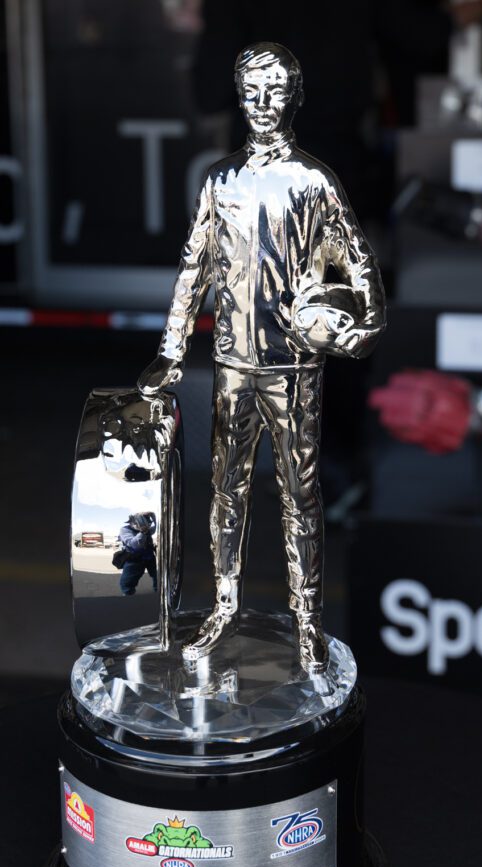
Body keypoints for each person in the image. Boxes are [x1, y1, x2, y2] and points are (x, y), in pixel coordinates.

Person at [138, 42, 385, 672]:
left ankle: (308, 622)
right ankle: (224, 607)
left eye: (275, 90)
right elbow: (193, 268)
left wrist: (362, 328)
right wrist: (171, 351)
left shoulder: (313, 180)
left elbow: (358, 259)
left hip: (295, 368)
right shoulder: (220, 180)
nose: (264, 103)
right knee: (227, 489)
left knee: (299, 495)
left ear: (295, 96)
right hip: (232, 365)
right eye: (252, 92)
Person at [118, 513, 158, 596]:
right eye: (147, 523)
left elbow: (154, 529)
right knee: (127, 582)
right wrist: (143, 532)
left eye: (149, 523)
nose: (148, 525)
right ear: (132, 522)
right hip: (134, 559)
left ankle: (158, 591)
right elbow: (134, 544)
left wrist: (154, 517)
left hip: (149, 557)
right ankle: (128, 596)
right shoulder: (125, 530)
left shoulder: (148, 529)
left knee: (157, 576)